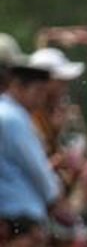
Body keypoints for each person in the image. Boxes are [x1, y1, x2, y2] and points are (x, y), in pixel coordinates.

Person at [0, 52, 63, 226]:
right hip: (18, 212)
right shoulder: (14, 118)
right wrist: (55, 198)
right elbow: (35, 167)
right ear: (18, 87)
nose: (41, 99)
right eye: (38, 91)